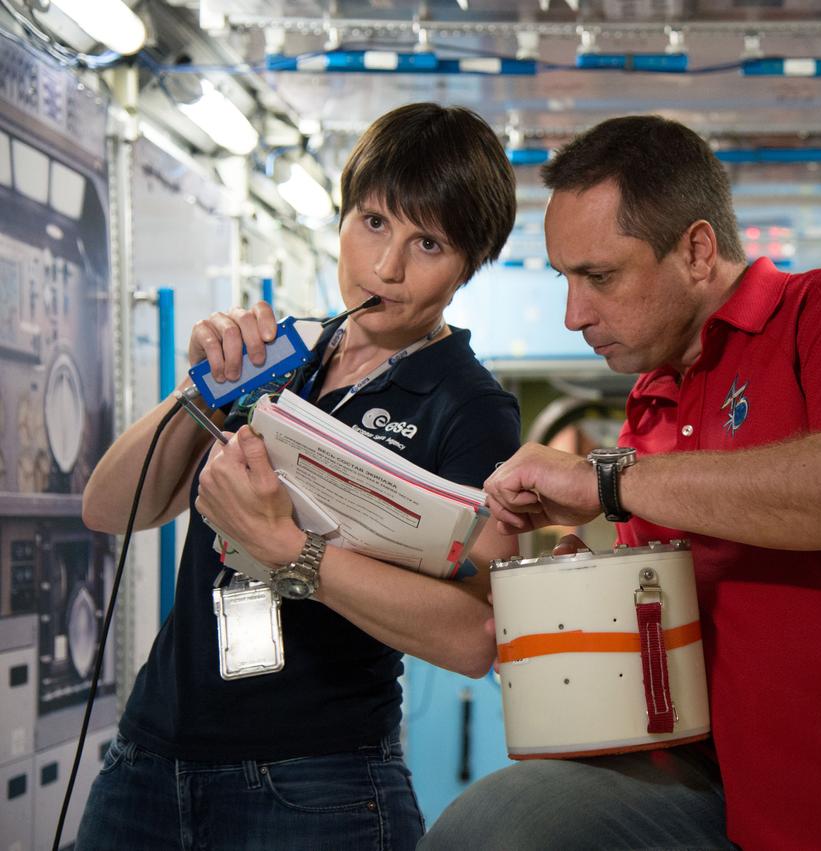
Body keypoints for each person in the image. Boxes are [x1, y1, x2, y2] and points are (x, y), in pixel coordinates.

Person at [424, 115, 821, 850]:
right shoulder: (651, 401)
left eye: (600, 276)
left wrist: (609, 481)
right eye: (565, 278)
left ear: (697, 249)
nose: (574, 313)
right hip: (742, 809)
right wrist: (588, 597)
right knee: (490, 831)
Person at [77, 103, 520, 851]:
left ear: (467, 263)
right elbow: (108, 507)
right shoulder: (286, 352)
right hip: (148, 760)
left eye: (428, 242)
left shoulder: (468, 405)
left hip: (317, 784)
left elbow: (475, 634)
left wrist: (289, 550)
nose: (386, 268)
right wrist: (199, 388)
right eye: (372, 222)